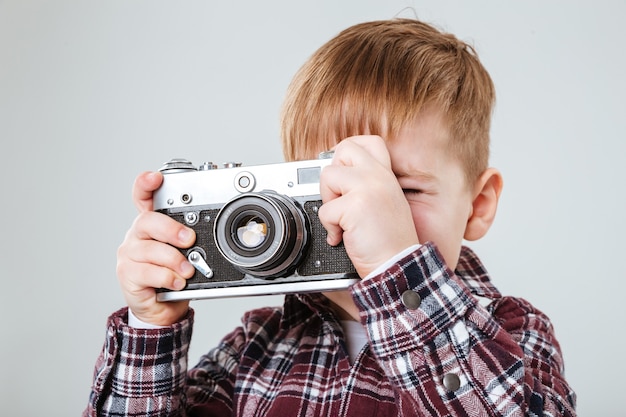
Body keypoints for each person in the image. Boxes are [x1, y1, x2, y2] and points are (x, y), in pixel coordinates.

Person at [84, 18, 577, 416]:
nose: (361, 214)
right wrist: (151, 329)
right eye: (332, 190)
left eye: (401, 190)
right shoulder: (255, 346)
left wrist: (397, 273)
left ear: (479, 204)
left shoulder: (517, 333)